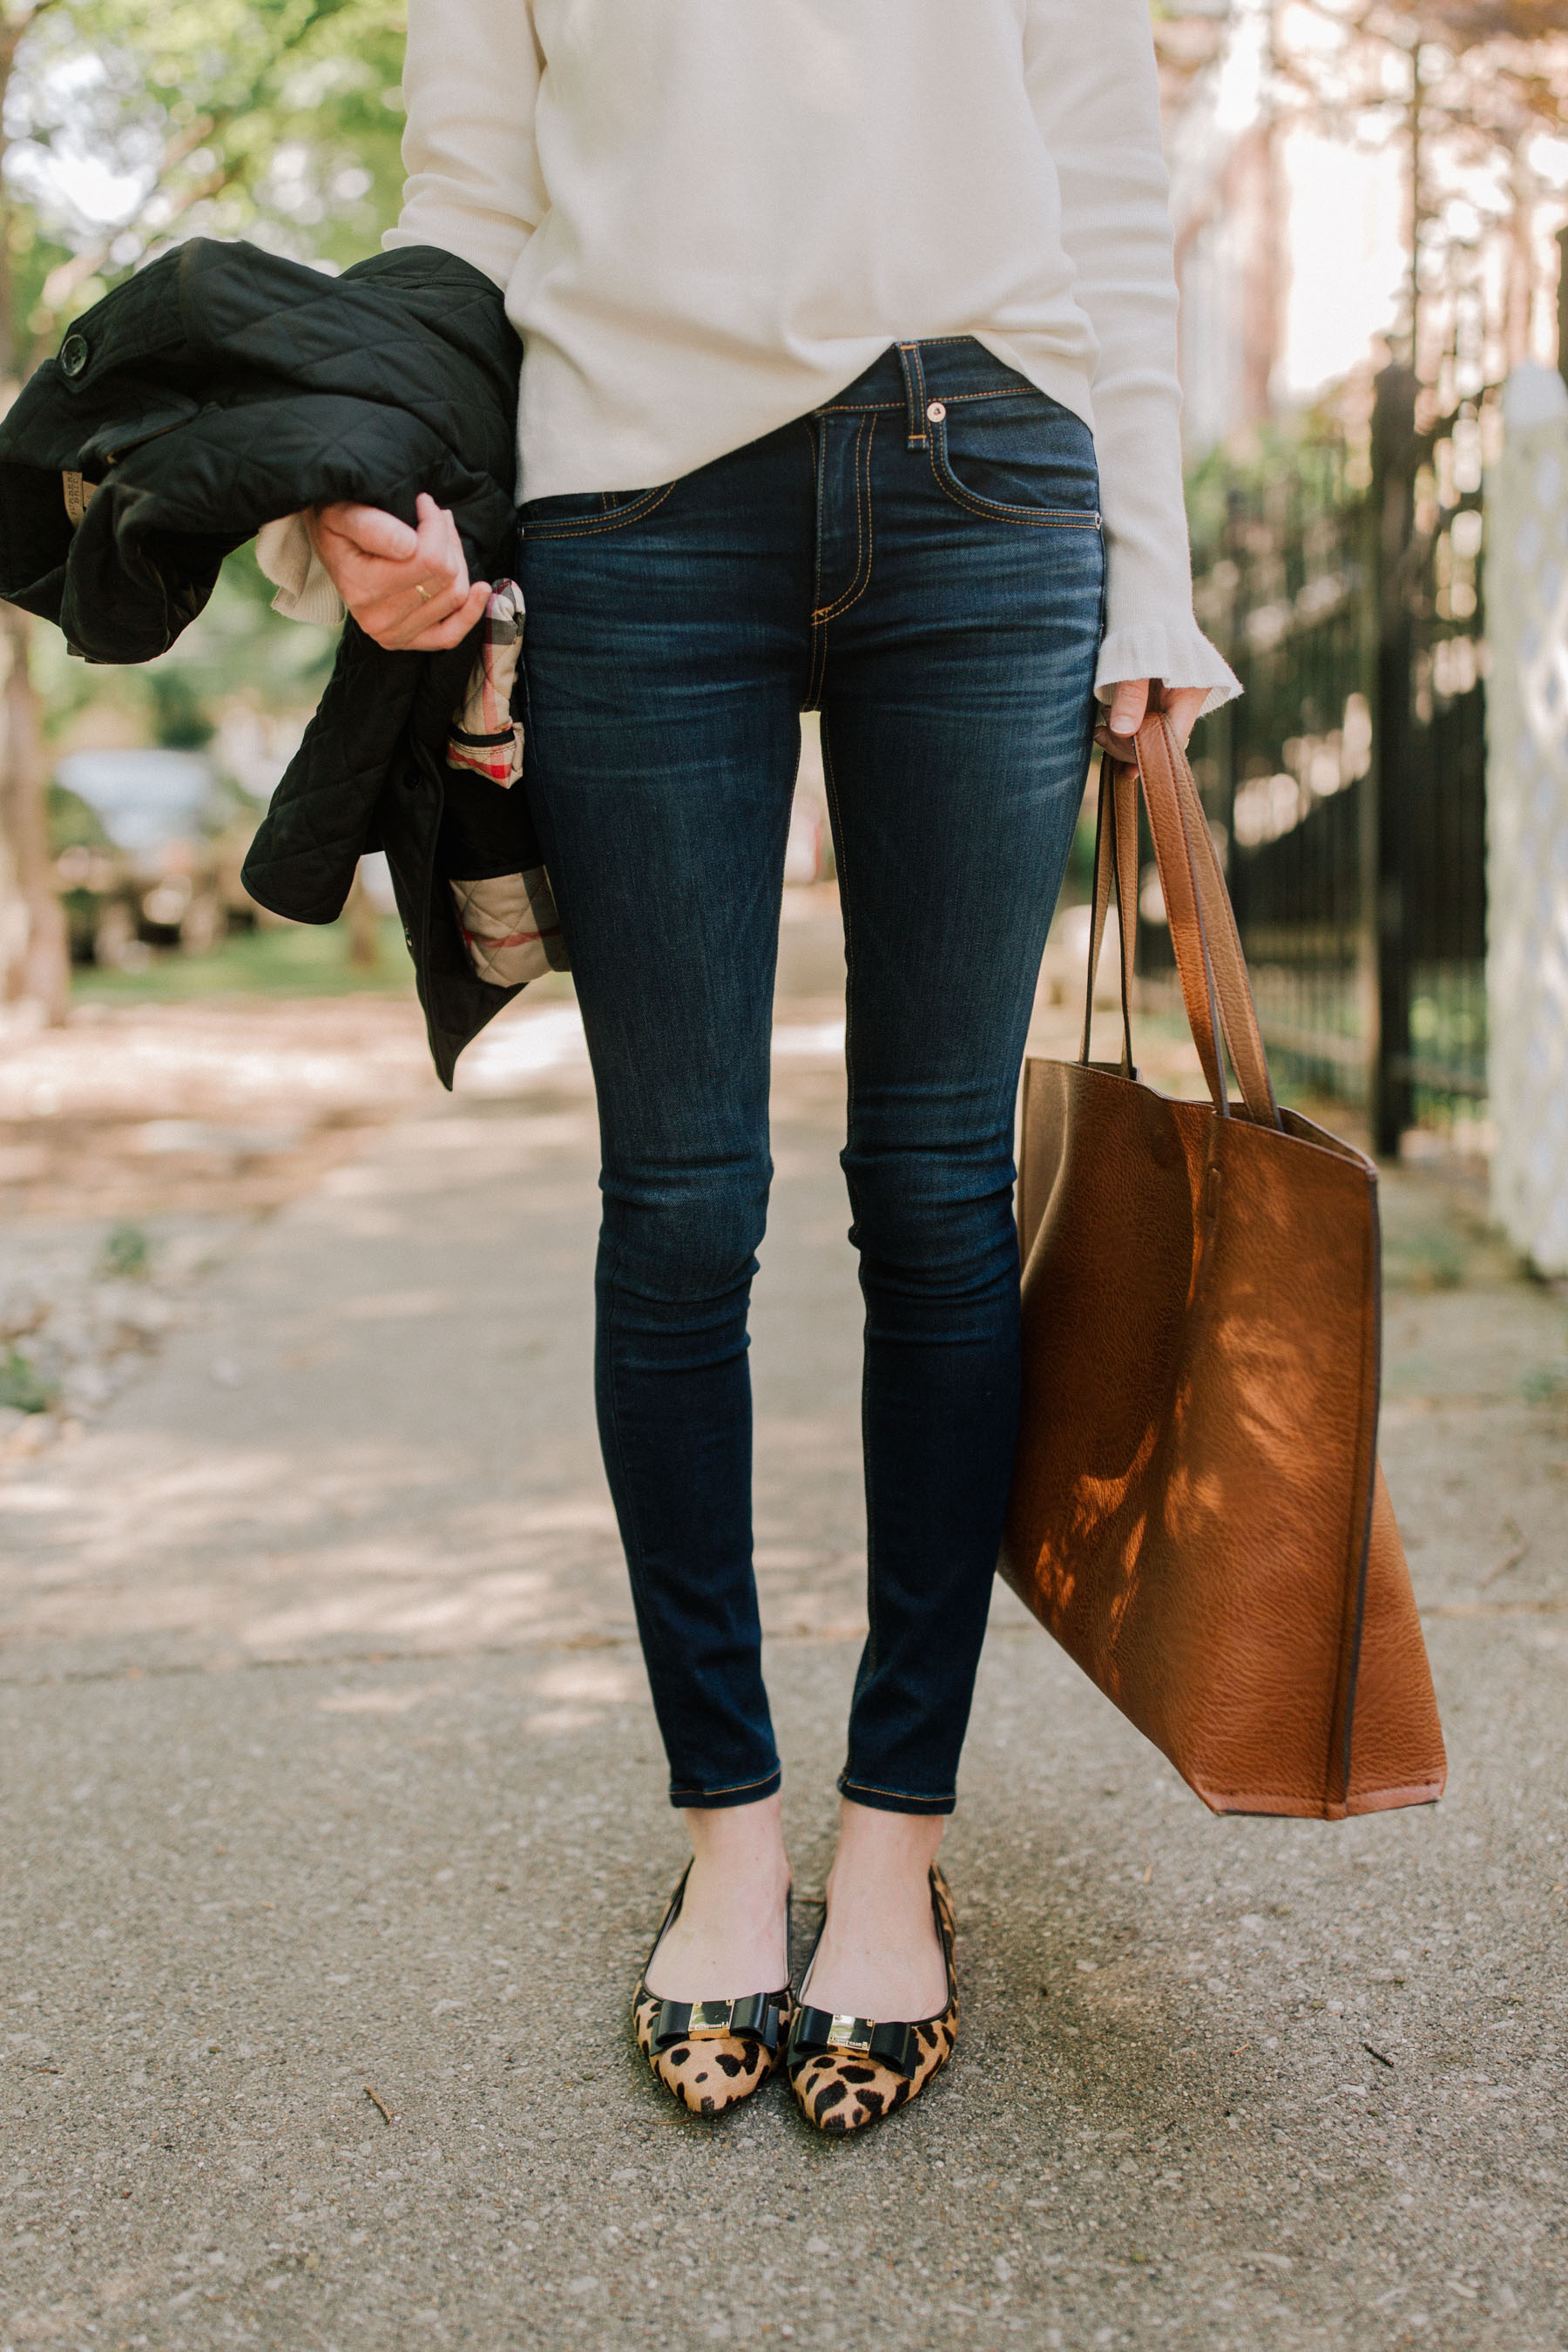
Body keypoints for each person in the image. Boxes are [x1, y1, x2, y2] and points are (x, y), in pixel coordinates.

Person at [265, 0, 1239, 2134]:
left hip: (991, 477)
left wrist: (1148, 576)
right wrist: (378, 496)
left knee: (937, 1194)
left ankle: (900, 1836)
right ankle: (731, 1829)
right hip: (632, 515)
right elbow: (466, 216)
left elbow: (1102, 172)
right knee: (682, 1204)